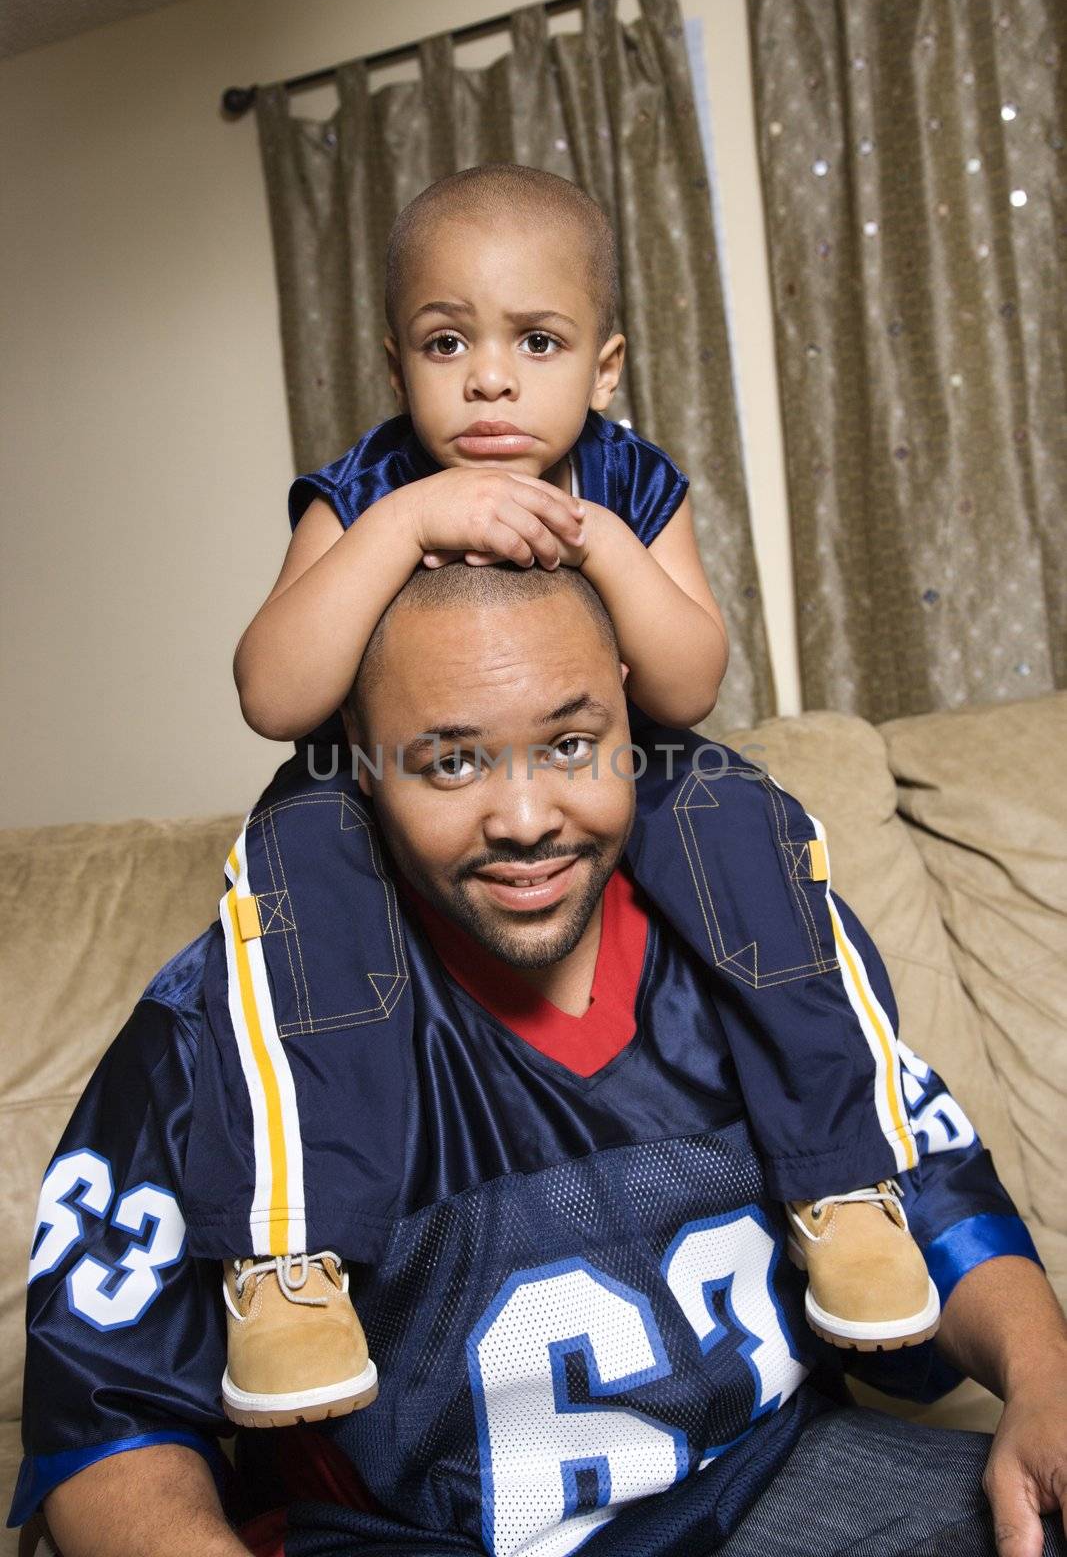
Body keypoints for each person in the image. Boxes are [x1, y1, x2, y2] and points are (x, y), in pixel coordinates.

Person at [13, 565, 1067, 1557]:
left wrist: (1044, 1381)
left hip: (763, 1478)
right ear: (360, 755)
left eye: (571, 745)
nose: (525, 821)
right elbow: (107, 1428)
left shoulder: (760, 946)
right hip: (407, 1536)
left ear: (628, 710)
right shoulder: (229, 1023)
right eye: (451, 760)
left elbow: (927, 1193)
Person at [200, 165, 938, 1427]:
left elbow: (690, 678)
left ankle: (843, 1183)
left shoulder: (630, 483)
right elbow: (273, 691)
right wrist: (403, 525)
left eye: (533, 342)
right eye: (448, 342)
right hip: (386, 795)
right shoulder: (365, 489)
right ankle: (289, 1258)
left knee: (733, 808)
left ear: (600, 370)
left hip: (611, 771)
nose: (489, 377)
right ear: (397, 365)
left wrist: (597, 538)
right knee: (294, 842)